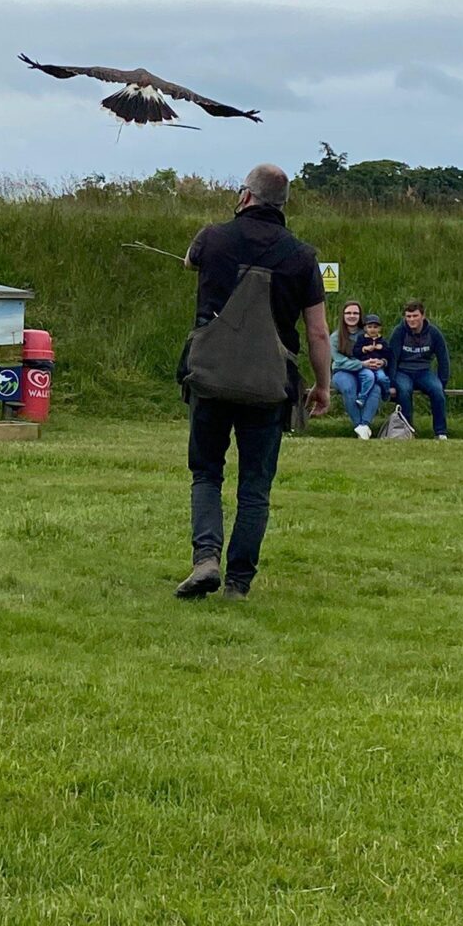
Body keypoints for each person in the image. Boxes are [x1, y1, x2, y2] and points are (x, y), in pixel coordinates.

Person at [175, 163, 331, 601]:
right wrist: (323, 386)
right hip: (268, 386)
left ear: (245, 197)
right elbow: (318, 332)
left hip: (210, 378)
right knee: (254, 487)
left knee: (207, 473)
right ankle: (239, 584)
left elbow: (190, 262)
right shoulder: (302, 256)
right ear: (282, 205)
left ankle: (206, 558)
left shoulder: (212, 236)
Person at [389, 300, 450, 439]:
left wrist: (442, 381)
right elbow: (392, 359)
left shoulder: (434, 333)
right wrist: (391, 383)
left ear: (423, 316)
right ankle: (407, 430)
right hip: (403, 371)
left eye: (415, 316)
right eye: (408, 316)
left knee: (437, 390)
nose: (411, 320)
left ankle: (440, 432)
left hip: (424, 371)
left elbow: (443, 359)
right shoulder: (399, 332)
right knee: (404, 391)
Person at [331, 300, 384, 439]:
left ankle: (365, 425)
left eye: (355, 313)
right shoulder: (335, 337)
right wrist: (362, 364)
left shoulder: (367, 333)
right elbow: (339, 360)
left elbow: (384, 350)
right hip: (342, 371)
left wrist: (381, 361)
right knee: (349, 387)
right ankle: (359, 426)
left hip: (366, 370)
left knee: (376, 387)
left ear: (360, 316)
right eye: (348, 313)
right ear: (343, 316)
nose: (352, 316)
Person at [353, 313, 392, 402]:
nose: (372, 329)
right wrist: (364, 349)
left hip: (378, 366)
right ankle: (362, 397)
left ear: (379, 328)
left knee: (382, 378)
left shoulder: (382, 340)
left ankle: (386, 393)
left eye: (375, 327)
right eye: (370, 327)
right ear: (365, 328)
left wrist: (382, 348)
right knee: (369, 378)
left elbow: (389, 354)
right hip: (365, 365)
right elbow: (355, 352)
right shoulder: (362, 339)